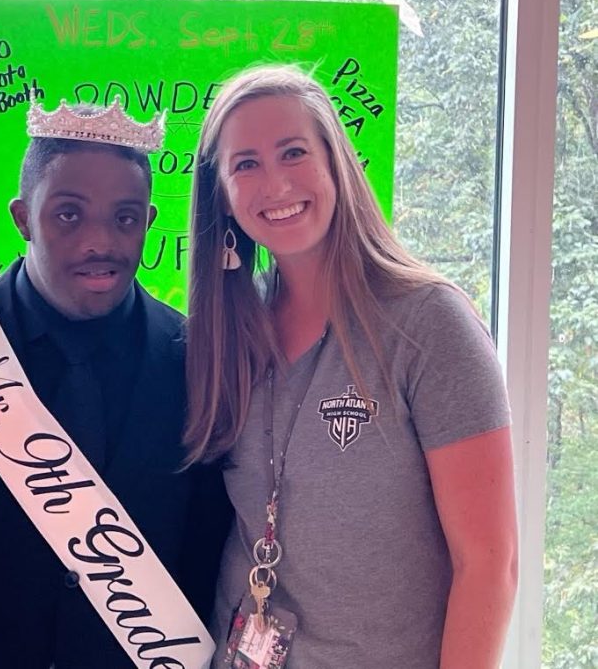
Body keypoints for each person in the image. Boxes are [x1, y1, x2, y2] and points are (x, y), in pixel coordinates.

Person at [0, 98, 230, 668]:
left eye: (125, 217)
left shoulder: (198, 360)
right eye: (69, 214)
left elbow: (207, 560)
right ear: (23, 216)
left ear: (149, 223)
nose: (100, 241)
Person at [184, 65, 518, 668]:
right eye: (246, 165)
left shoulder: (429, 324)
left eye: (293, 152)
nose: (276, 184)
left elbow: (490, 563)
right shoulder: (231, 332)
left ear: (335, 162)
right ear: (223, 198)